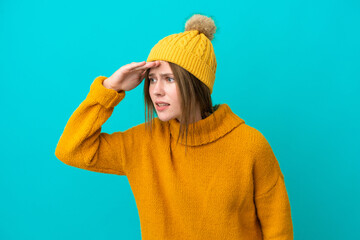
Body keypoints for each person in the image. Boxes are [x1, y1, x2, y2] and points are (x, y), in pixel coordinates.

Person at [55, 14, 294, 239]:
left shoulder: (250, 145)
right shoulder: (142, 143)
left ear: (197, 84)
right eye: (152, 79)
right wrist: (109, 89)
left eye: (169, 79)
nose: (156, 90)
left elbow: (278, 230)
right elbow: (71, 149)